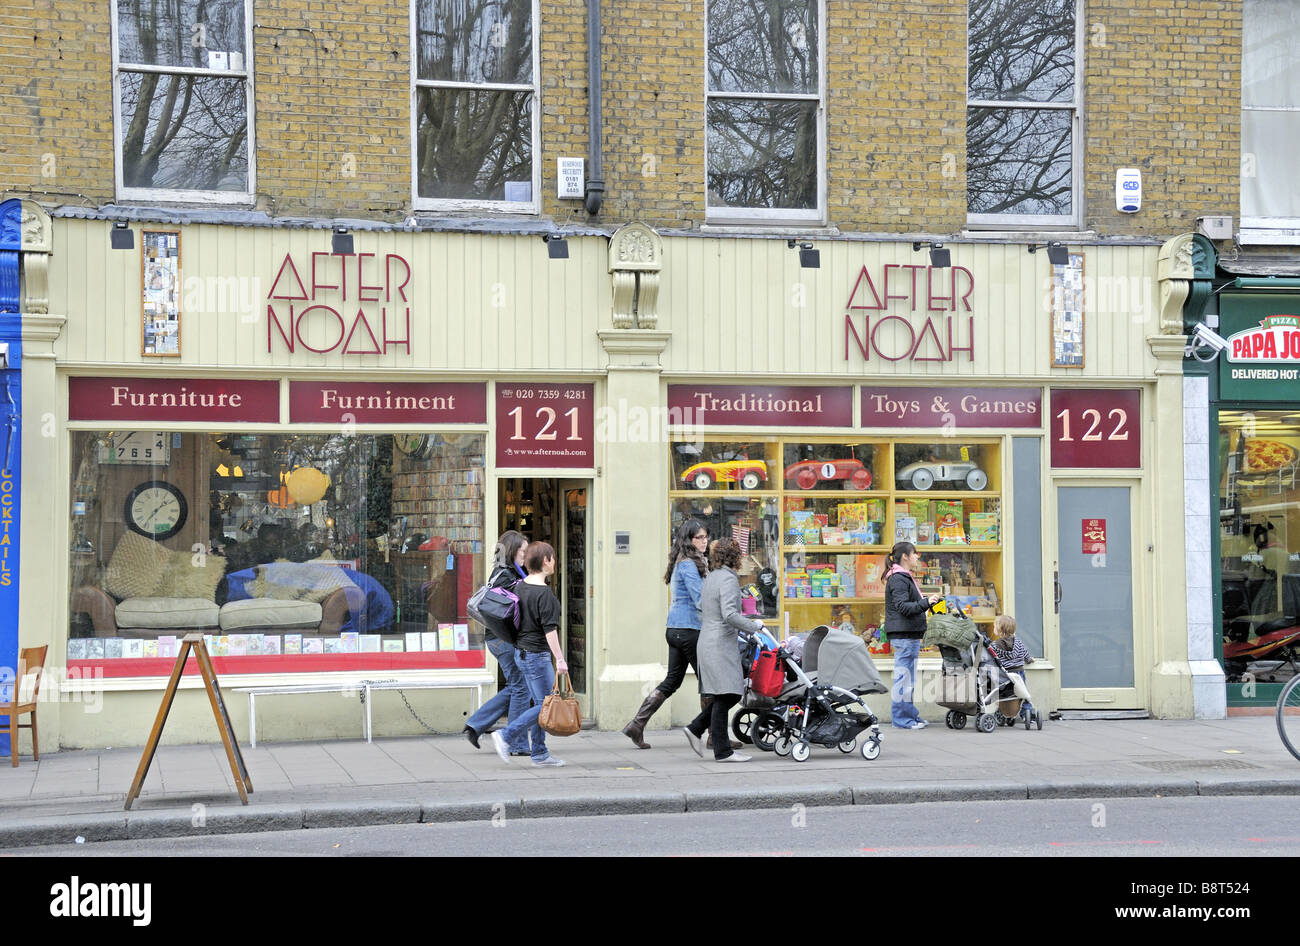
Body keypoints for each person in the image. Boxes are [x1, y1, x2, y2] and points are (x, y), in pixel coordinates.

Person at [622, 519, 710, 749]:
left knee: (671, 681)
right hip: (690, 629)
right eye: (699, 537)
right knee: (709, 683)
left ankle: (636, 725)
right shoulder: (689, 565)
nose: (705, 541)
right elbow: (700, 600)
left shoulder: (684, 562)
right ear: (689, 540)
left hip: (676, 629)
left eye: (706, 537)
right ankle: (714, 735)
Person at [682, 538, 764, 763]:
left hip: (708, 640)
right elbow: (729, 614)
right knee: (729, 693)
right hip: (719, 644)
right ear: (735, 557)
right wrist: (754, 626)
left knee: (724, 694)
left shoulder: (711, 577)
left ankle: (698, 730)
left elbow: (704, 607)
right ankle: (721, 749)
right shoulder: (727, 579)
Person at [491, 541, 569, 767]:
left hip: (521, 653)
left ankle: (540, 753)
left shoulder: (520, 587)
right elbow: (550, 631)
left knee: (540, 702)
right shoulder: (545, 595)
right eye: (552, 558)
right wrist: (561, 659)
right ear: (546, 561)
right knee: (547, 704)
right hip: (537, 655)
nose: (554, 562)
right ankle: (506, 735)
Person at [463, 530, 532, 755]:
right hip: (504, 640)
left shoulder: (503, 572)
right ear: (513, 550)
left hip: (497, 639)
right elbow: (505, 611)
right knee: (522, 688)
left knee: (517, 686)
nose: (526, 554)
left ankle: (476, 725)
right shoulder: (507, 576)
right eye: (523, 550)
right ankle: (515, 743)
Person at [883, 541, 939, 730]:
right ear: (905, 556)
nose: (917, 557)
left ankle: (910, 715)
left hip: (909, 634)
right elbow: (902, 607)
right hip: (904, 634)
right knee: (904, 679)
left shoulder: (903, 577)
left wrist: (926, 604)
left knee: (908, 679)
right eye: (915, 553)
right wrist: (925, 602)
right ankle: (901, 719)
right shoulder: (898, 578)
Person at [991, 613, 1034, 718]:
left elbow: (992, 658)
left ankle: (1000, 711)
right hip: (1019, 673)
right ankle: (1027, 712)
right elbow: (1025, 653)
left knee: (1002, 694)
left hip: (1005, 675)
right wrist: (1029, 659)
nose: (993, 628)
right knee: (1023, 693)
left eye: (994, 626)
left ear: (999, 630)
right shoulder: (1018, 642)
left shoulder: (995, 645)